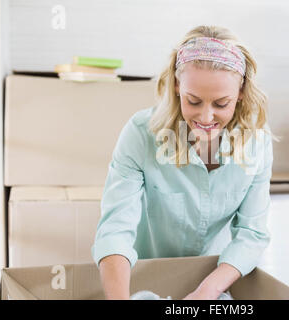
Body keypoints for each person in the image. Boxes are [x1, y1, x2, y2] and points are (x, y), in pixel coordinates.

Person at [91, 25, 274, 300]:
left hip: (216, 279)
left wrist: (208, 290)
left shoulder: (257, 142)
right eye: (194, 101)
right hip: (145, 279)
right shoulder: (142, 134)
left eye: (221, 104)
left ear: (241, 91)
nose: (206, 117)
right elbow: (115, 228)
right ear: (177, 86)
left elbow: (252, 232)